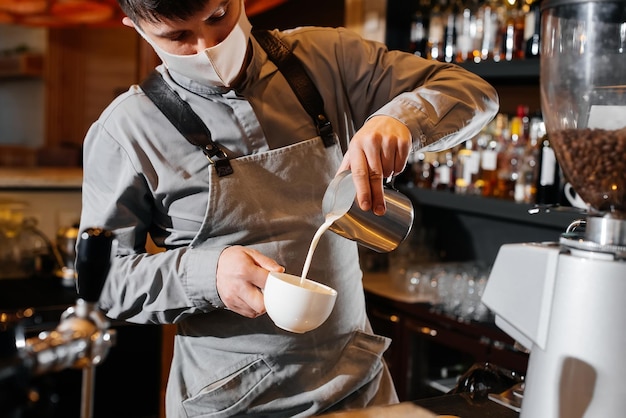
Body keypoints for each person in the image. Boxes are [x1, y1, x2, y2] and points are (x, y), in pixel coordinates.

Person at [78, 0, 499, 416]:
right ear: (135, 27)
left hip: (357, 388)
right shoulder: (126, 131)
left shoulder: (325, 58)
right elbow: (103, 280)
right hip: (232, 402)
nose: (208, 45)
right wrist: (207, 276)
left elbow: (473, 91)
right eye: (178, 36)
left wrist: (402, 119)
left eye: (218, 16)